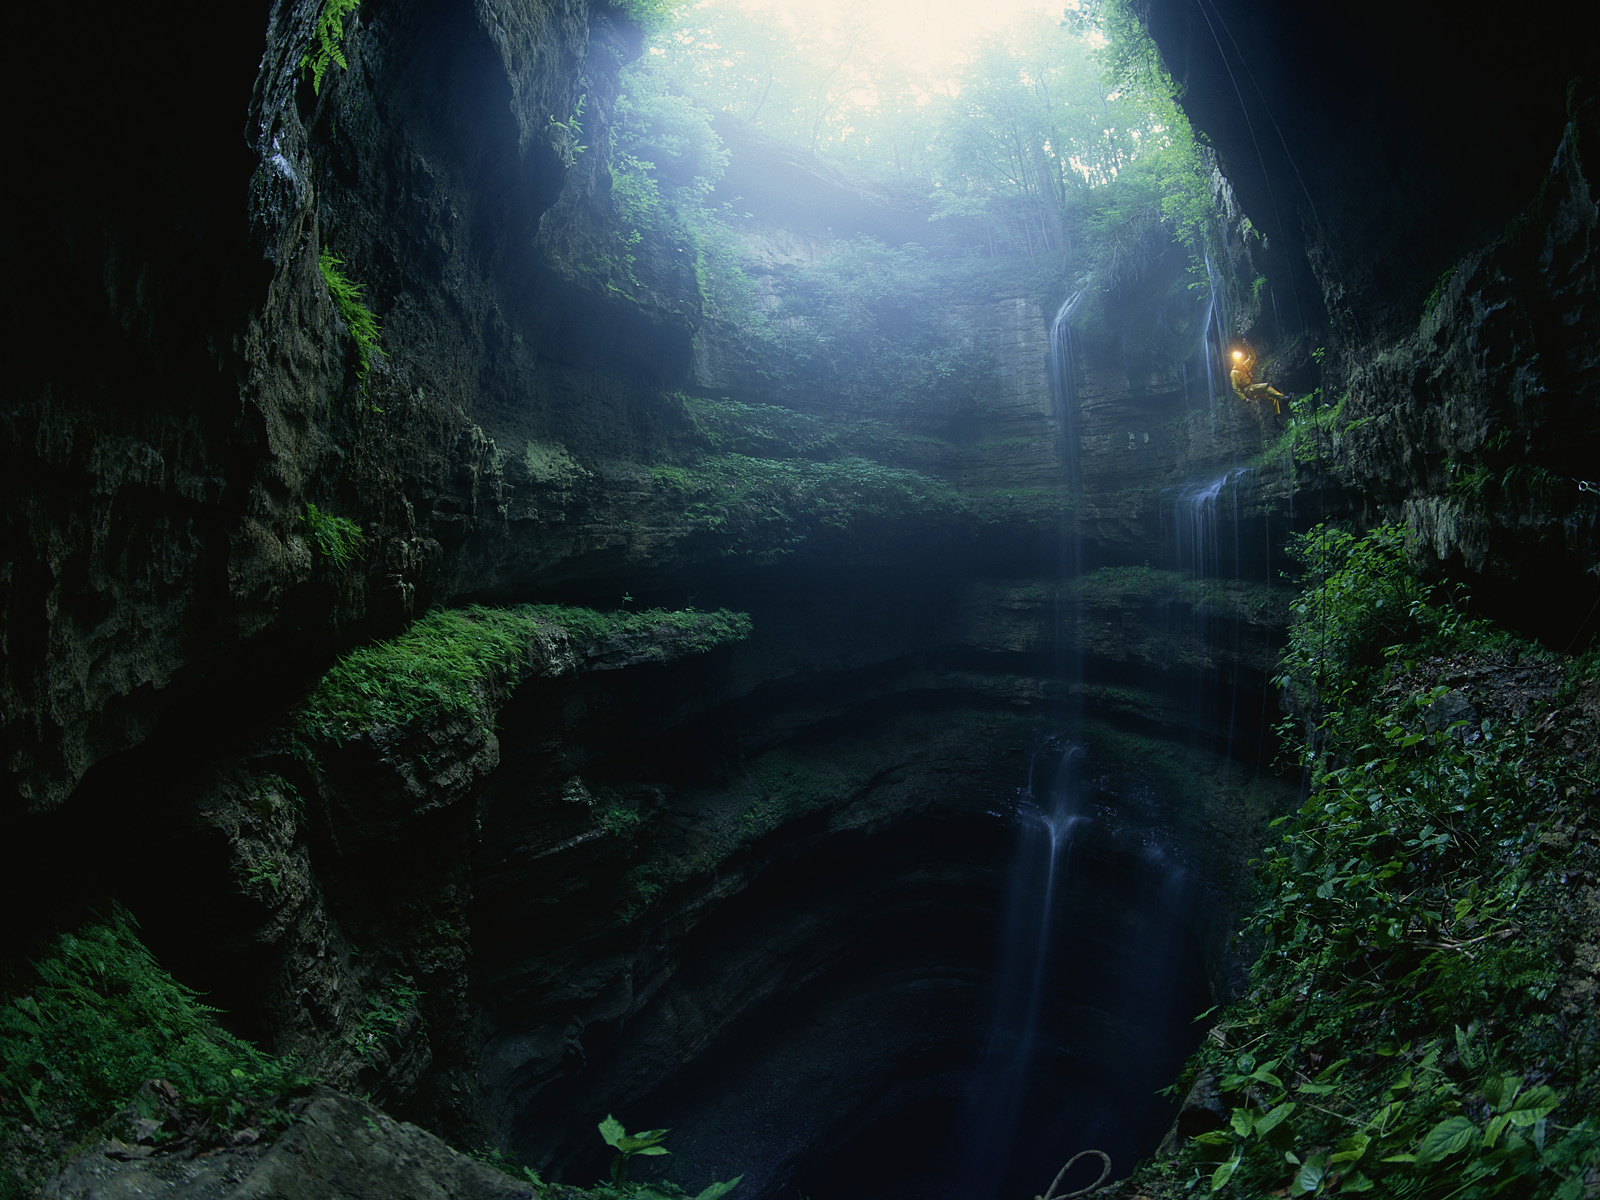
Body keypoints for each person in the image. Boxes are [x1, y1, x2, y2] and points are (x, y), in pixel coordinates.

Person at [1230, 347, 1289, 416]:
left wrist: (1247, 345)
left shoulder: (1244, 366)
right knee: (1265, 386)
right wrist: (1244, 399)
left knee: (1272, 398)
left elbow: (1252, 357)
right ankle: (1284, 399)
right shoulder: (1234, 373)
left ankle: (1275, 420)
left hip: (1252, 387)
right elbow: (1235, 388)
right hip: (1247, 390)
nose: (1239, 361)